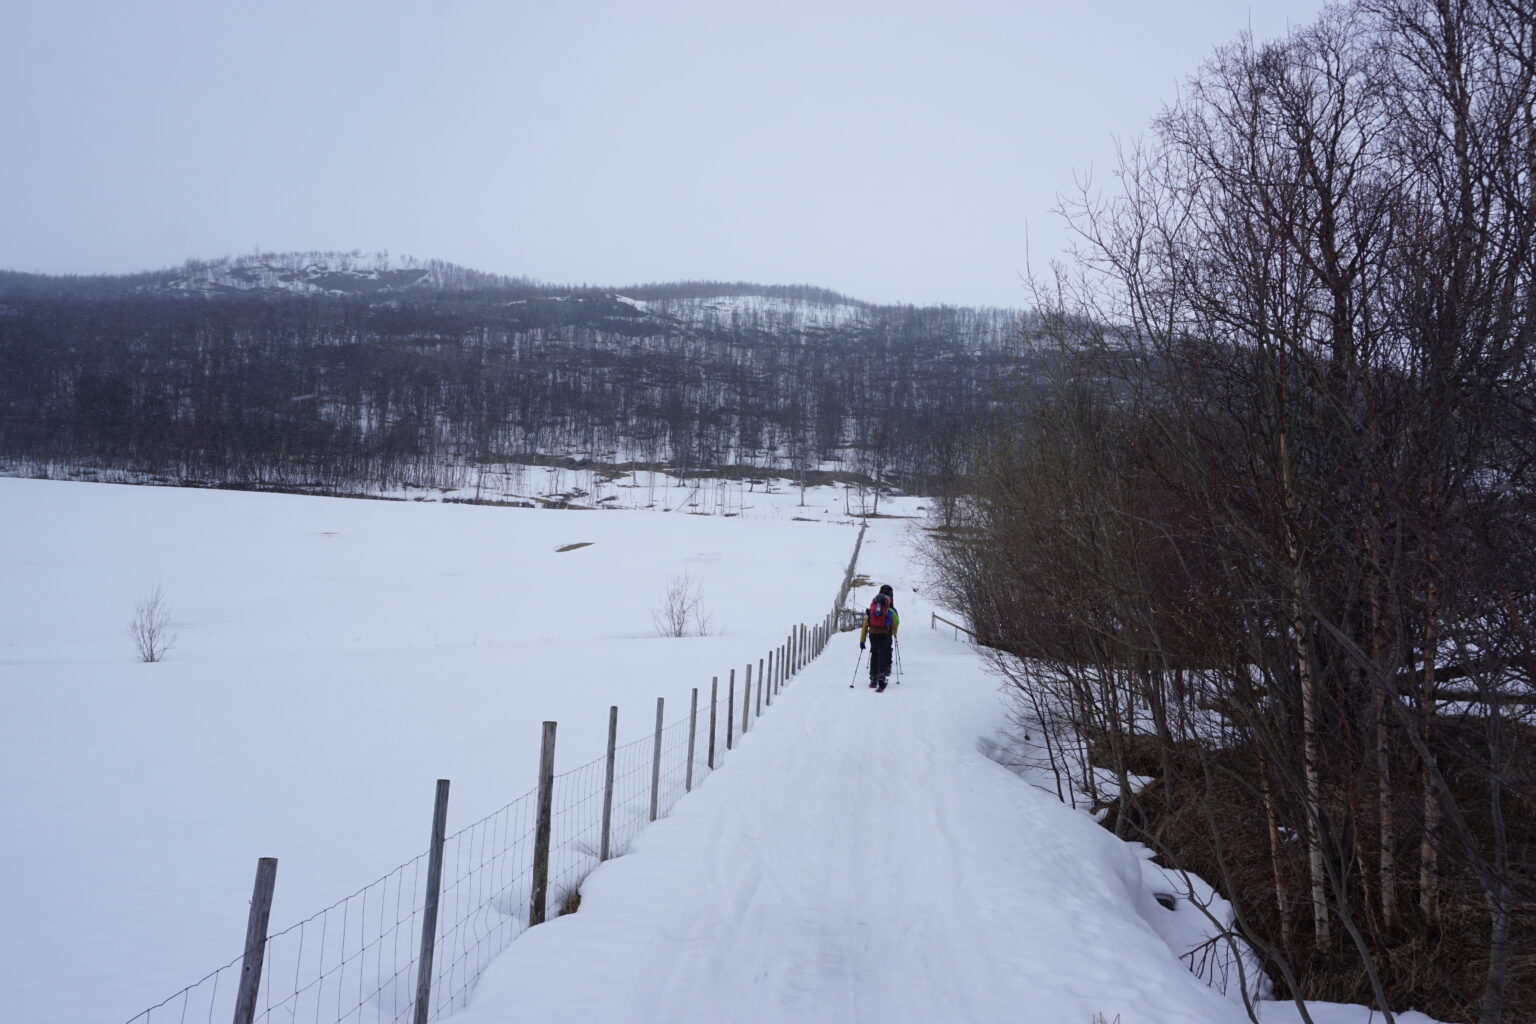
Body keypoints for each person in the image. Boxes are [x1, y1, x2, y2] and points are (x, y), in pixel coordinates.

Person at [859, 584, 900, 691]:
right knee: (882, 653)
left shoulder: (871, 611)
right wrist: (893, 632)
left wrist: (862, 640)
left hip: (872, 634)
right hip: (884, 634)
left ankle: (873, 677)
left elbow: (865, 626)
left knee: (874, 654)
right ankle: (881, 676)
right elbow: (896, 622)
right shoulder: (890, 611)